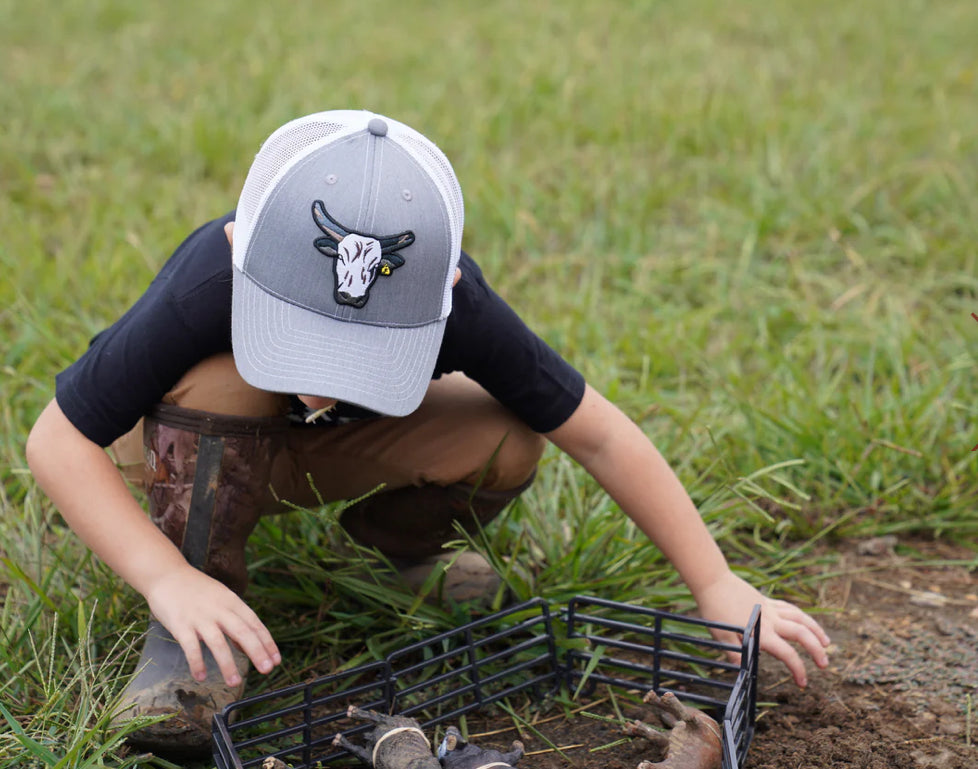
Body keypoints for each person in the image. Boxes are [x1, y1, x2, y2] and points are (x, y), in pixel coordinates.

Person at [25, 109, 830, 757]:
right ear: (242, 253)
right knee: (225, 375)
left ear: (442, 287)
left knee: (506, 434)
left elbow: (601, 436)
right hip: (179, 452)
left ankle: (399, 556)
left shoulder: (455, 300)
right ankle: (193, 626)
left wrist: (716, 583)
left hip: (305, 457)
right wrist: (164, 577)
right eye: (299, 336)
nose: (325, 375)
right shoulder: (210, 275)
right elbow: (56, 443)